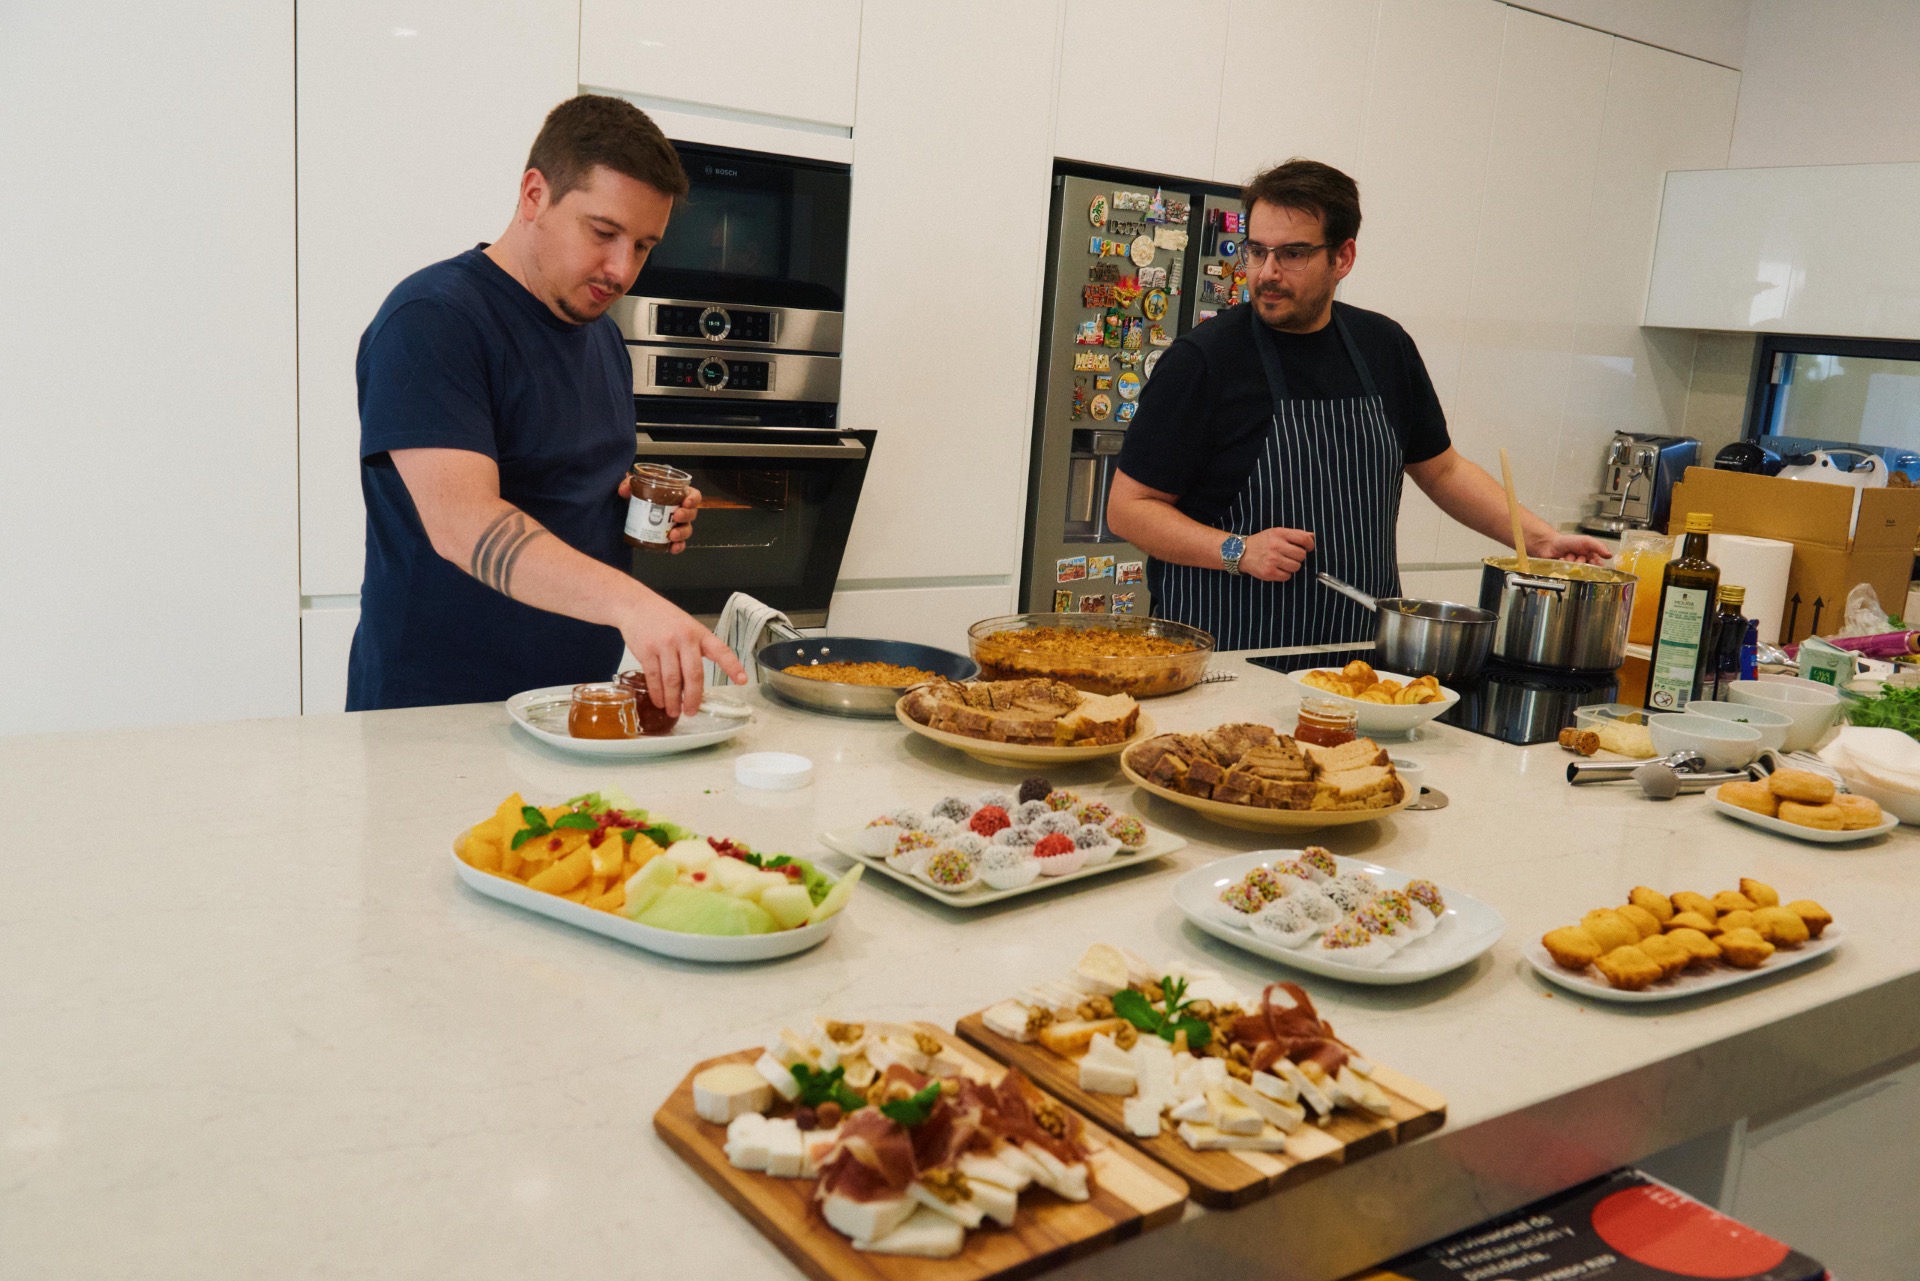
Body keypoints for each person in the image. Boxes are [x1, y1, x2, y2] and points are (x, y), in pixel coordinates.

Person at [1106, 158, 1609, 651]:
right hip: (1229, 658)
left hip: (1360, 661)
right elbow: (1130, 510)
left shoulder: (1383, 346)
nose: (1266, 273)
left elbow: (1443, 471)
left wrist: (1541, 541)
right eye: (1256, 251)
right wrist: (1237, 550)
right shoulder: (1204, 361)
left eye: (1293, 254)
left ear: (1343, 257)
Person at [346, 95, 747, 713]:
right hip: (436, 714)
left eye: (643, 245)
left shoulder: (603, 336)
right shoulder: (433, 320)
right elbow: (463, 524)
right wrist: (633, 604)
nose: (621, 269)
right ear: (534, 194)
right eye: (604, 232)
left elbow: (555, 484)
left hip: (567, 707)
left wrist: (635, 506)